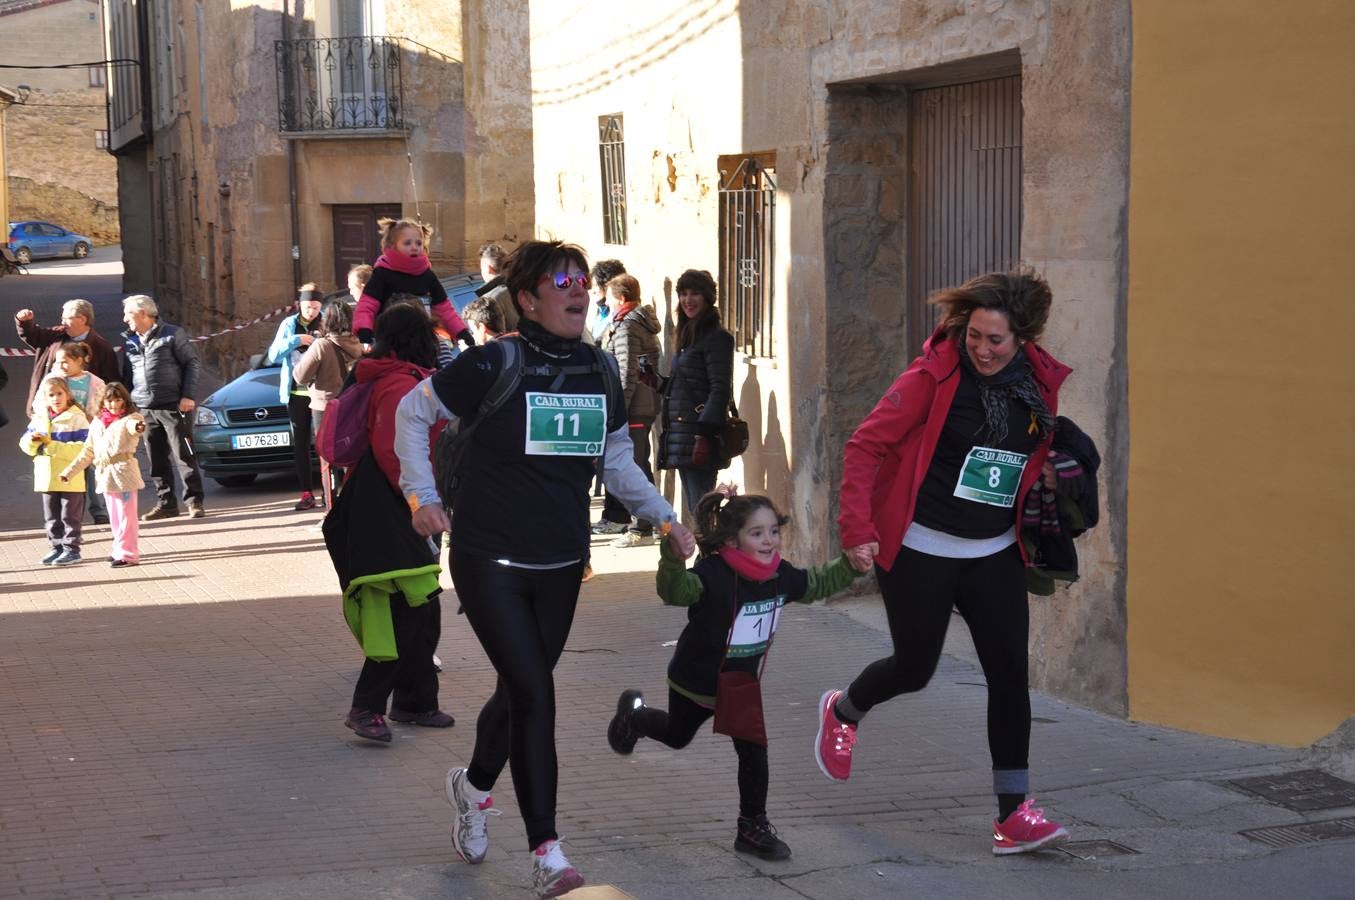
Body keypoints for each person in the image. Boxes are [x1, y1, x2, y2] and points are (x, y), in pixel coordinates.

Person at [393, 240, 695, 898]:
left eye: (582, 280)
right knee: (536, 692)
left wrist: (665, 516)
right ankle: (547, 852)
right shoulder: (494, 361)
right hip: (488, 556)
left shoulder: (598, 370)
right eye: (562, 281)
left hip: (562, 561)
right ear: (528, 298)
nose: (577, 289)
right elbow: (412, 412)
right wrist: (420, 495)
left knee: (518, 691)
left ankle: (472, 789)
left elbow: (615, 460)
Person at [816, 269, 1073, 856]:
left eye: (996, 340)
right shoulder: (933, 375)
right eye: (975, 335)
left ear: (1024, 339)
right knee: (915, 667)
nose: (982, 349)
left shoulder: (1036, 382)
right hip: (919, 547)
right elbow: (865, 445)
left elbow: (1029, 446)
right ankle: (844, 709)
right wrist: (856, 530)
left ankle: (1014, 814)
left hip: (993, 551)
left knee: (1009, 675)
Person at [607, 489, 857, 861]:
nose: (769, 540)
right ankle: (635, 717)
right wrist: (673, 558)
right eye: (757, 534)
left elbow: (817, 583)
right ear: (731, 540)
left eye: (773, 531)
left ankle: (751, 826)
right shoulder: (712, 574)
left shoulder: (780, 576)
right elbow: (675, 591)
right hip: (695, 681)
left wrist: (852, 564)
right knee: (677, 736)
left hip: (740, 687)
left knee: (754, 752)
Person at [324, 301, 455, 744]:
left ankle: (415, 702)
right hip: (388, 507)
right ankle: (367, 706)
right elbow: (392, 450)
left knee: (422, 608)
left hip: (385, 502)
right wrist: (422, 503)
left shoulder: (393, 377)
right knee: (404, 612)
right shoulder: (400, 384)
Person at [657, 269, 736, 521]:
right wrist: (656, 382)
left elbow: (719, 387)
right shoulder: (689, 334)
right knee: (698, 508)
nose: (688, 300)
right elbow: (685, 387)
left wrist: (704, 433)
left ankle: (714, 558)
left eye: (695, 294)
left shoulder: (717, 338)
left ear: (707, 297)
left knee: (703, 509)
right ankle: (709, 557)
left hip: (698, 436)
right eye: (683, 294)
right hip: (684, 435)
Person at [120, 294, 207, 520]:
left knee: (183, 455)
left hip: (174, 405)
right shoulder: (129, 340)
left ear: (143, 313)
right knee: (156, 459)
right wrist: (130, 405)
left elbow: (191, 363)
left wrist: (187, 395)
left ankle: (194, 501)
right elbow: (127, 375)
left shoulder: (172, 334)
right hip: (145, 408)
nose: (124, 319)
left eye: (128, 314)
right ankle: (166, 503)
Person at [599, 273, 662, 547]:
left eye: (610, 299)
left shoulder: (627, 326)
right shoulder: (630, 322)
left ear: (622, 299)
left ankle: (643, 528)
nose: (608, 304)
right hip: (639, 403)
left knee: (636, 464)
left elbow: (626, 371)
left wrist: (618, 410)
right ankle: (642, 524)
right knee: (637, 461)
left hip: (634, 406)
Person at [352, 217, 472, 350]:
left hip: (421, 344)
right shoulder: (382, 273)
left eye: (419, 243)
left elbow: (445, 309)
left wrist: (461, 332)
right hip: (390, 343)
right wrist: (364, 328)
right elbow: (367, 304)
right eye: (407, 243)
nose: (414, 247)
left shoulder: (427, 275)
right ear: (393, 246)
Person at [64, 382, 146, 567]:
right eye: (109, 400)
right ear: (102, 402)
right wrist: (69, 472)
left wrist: (139, 427)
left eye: (118, 400)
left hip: (124, 473)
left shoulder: (130, 418)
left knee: (127, 517)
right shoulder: (97, 422)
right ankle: (118, 549)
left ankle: (128, 554)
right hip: (105, 474)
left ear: (124, 400)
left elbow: (135, 426)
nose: (114, 404)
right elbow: (88, 451)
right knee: (115, 516)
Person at [294, 300, 363, 507]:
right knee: (351, 458)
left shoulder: (321, 345)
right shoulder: (358, 343)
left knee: (328, 461)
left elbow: (300, 376)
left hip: (325, 408)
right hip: (352, 406)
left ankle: (331, 507)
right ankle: (354, 505)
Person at [19, 376, 90, 567]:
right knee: (51, 517)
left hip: (69, 477)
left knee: (69, 516)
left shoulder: (77, 417)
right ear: (45, 398)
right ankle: (56, 547)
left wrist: (52, 446)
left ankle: (72, 550)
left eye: (59, 393)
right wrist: (32, 442)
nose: (56, 398)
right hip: (46, 477)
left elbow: (82, 449)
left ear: (67, 395)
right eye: (51, 395)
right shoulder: (40, 418)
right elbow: (24, 444)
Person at [268, 284, 325, 511]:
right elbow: (273, 355)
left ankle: (330, 491)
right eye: (308, 307)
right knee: (300, 445)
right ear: (299, 305)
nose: (311, 311)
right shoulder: (289, 324)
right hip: (296, 393)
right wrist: (296, 340)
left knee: (325, 442)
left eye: (315, 307)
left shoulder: (325, 321)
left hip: (320, 392)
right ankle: (307, 494)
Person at [14, 299, 120, 419]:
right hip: (48, 414)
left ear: (83, 319)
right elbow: (33, 336)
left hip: (83, 419)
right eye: (62, 318)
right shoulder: (55, 335)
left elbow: (111, 381)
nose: (62, 322)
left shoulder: (101, 347)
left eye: (67, 318)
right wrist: (24, 323)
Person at [52, 342, 109, 524]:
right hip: (63, 434)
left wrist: (93, 419)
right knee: (67, 472)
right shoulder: (55, 380)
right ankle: (68, 516)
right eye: (58, 362)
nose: (61, 366)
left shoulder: (96, 382)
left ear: (78, 361)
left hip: (88, 432)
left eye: (65, 362)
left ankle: (99, 510)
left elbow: (103, 408)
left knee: (91, 472)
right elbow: (42, 403)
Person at [474, 241, 519, 333]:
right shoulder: (523, 287)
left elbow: (491, 339)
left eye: (482, 269)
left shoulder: (489, 300)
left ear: (488, 268)